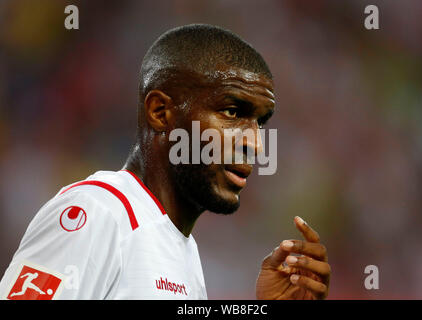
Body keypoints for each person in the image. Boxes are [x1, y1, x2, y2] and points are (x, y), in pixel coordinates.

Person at [0, 24, 330, 299]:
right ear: (161, 113)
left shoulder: (180, 252)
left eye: (260, 122)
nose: (255, 145)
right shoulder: (99, 214)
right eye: (232, 112)